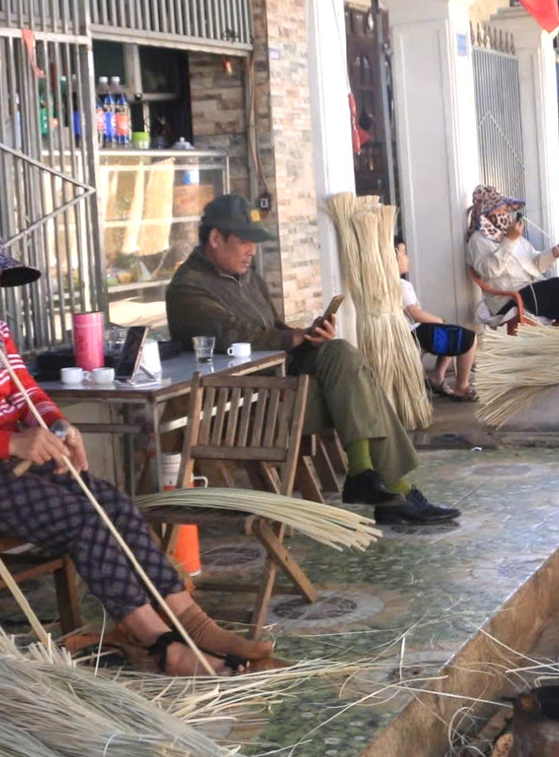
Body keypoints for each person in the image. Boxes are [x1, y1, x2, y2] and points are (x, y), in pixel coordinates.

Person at [0, 213, 270, 677]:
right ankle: (157, 643)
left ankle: (193, 622)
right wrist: (14, 443)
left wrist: (59, 426)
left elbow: (29, 394)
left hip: (8, 460)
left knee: (114, 504)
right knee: (82, 519)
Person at [165, 195, 460, 526]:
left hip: (279, 387)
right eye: (244, 241)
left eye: (254, 242)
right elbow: (229, 334)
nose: (252, 251)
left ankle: (366, 474)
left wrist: (308, 336)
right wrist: (290, 337)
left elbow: (273, 330)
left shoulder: (247, 277)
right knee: (360, 389)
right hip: (241, 408)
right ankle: (392, 487)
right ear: (216, 239)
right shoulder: (187, 288)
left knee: (342, 353)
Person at [464, 184, 559, 328]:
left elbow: (534, 264)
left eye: (505, 208)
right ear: (487, 211)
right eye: (500, 208)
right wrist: (509, 241)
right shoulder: (478, 240)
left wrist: (554, 252)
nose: (505, 212)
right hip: (509, 299)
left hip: (530, 291)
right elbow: (489, 271)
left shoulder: (510, 235)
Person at [395, 238, 477, 402]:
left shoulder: (386, 284)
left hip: (408, 332)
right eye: (404, 253)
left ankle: (437, 376)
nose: (407, 258)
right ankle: (461, 387)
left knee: (448, 331)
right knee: (469, 338)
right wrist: (438, 320)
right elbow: (414, 313)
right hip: (414, 333)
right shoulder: (400, 285)